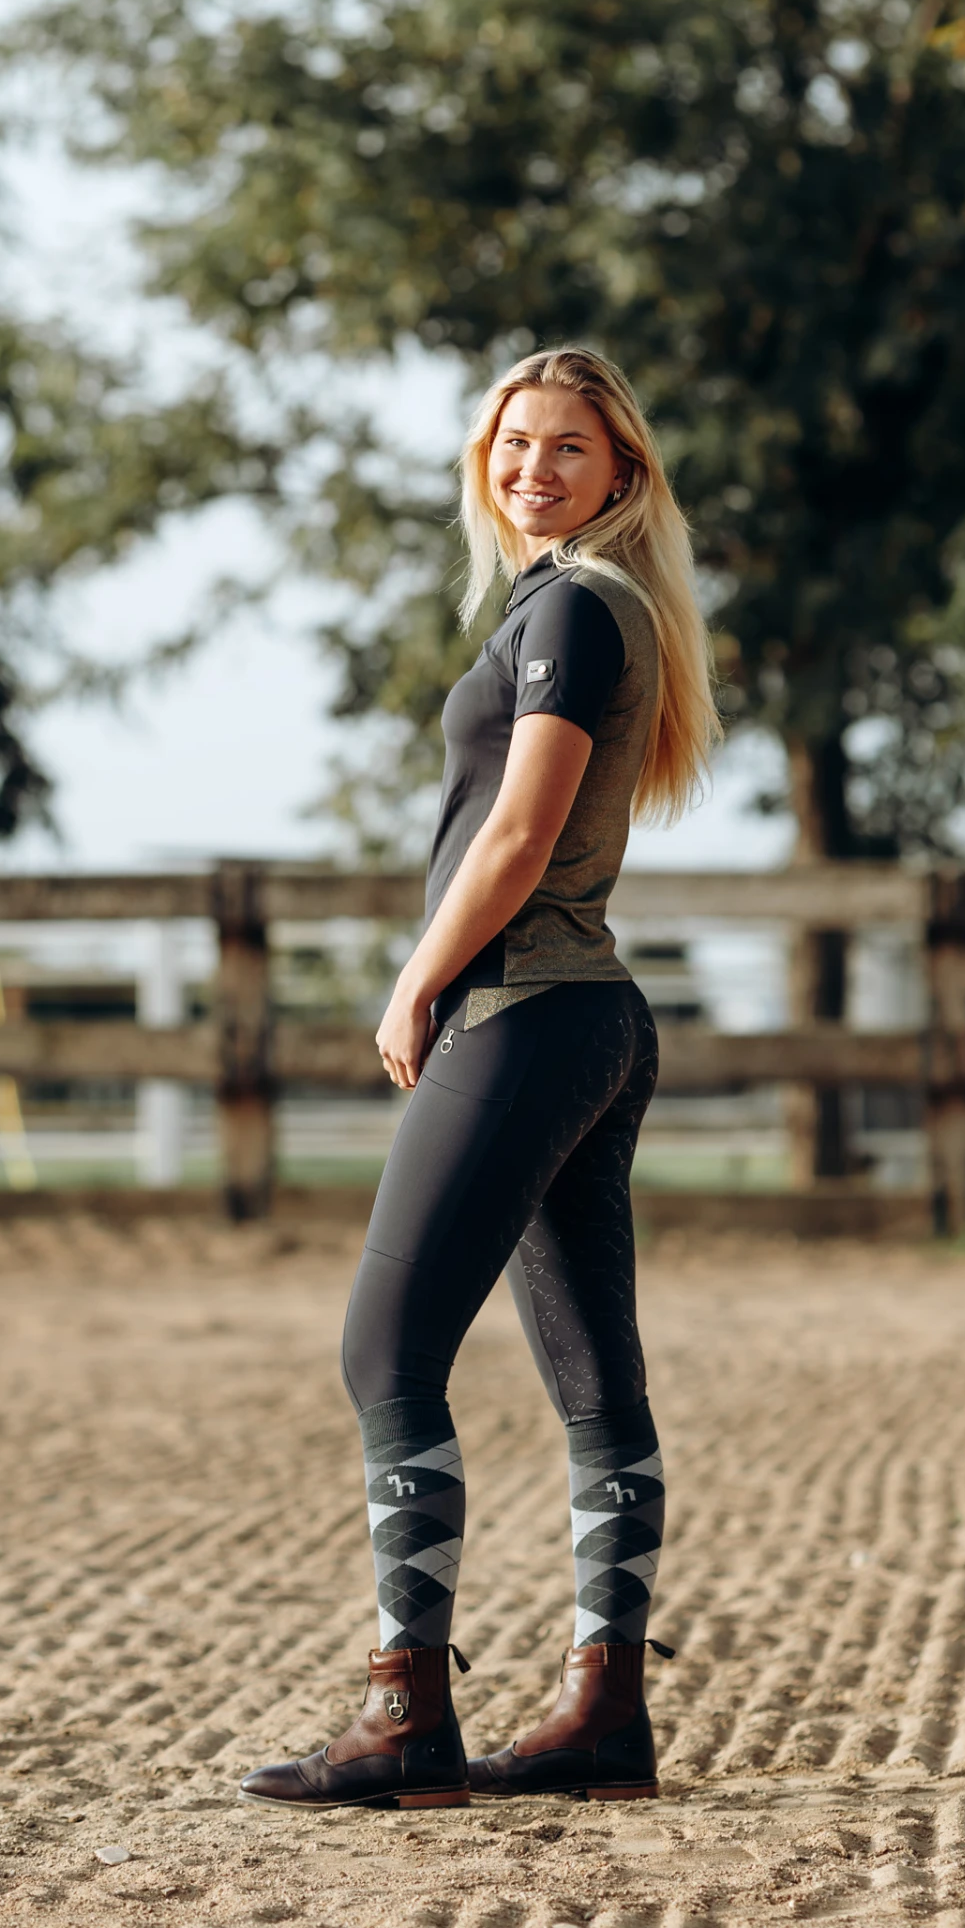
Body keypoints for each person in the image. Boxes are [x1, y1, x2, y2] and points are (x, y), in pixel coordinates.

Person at [239, 346, 719, 1811]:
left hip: (527, 1010)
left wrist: (416, 977)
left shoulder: (575, 606)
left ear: (622, 471)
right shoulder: (573, 602)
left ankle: (406, 1711)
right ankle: (603, 1711)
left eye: (569, 446)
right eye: (515, 442)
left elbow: (519, 833)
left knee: (386, 1352)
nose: (534, 468)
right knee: (593, 1382)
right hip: (591, 1017)